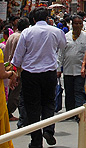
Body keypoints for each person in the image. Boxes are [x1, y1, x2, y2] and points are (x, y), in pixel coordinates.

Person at [11, 8, 66, 147]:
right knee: (48, 103)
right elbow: (63, 46)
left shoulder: (27, 32)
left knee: (32, 107)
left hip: (30, 74)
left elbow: (18, 56)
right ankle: (48, 129)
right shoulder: (56, 31)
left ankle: (36, 141)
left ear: (33, 19)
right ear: (47, 18)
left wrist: (15, 73)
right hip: (49, 72)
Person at [59, 15, 86, 115]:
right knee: (69, 92)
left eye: (80, 24)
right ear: (72, 24)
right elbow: (61, 53)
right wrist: (59, 68)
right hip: (68, 70)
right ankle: (70, 112)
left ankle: (79, 112)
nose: (78, 26)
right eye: (76, 23)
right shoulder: (65, 36)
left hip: (80, 70)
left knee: (79, 91)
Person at [4, 17, 29, 123]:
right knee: (16, 94)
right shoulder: (21, 37)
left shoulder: (12, 35)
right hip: (16, 69)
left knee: (12, 92)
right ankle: (7, 113)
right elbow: (17, 55)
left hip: (9, 67)